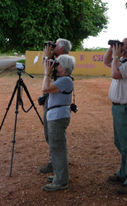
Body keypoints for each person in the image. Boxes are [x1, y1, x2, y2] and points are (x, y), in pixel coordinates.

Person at [104, 38, 127, 194]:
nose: (119, 47)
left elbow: (115, 74)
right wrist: (112, 48)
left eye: (122, 45)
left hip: (126, 108)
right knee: (120, 142)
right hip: (118, 108)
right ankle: (123, 172)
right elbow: (106, 61)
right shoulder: (122, 60)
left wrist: (117, 56)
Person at [42, 54, 76, 191]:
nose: (56, 66)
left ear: (65, 68)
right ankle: (60, 175)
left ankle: (61, 181)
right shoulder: (62, 79)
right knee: (56, 147)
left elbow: (45, 88)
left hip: (58, 117)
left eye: (58, 64)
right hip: (55, 115)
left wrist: (46, 73)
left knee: (58, 148)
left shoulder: (66, 80)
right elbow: (48, 86)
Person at [39, 38, 72, 174]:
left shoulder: (65, 63)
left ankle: (55, 162)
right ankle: (56, 161)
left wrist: (49, 58)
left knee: (53, 133)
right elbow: (45, 66)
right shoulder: (57, 60)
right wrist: (47, 55)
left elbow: (48, 77)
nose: (52, 47)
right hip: (51, 99)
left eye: (55, 45)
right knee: (50, 133)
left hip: (56, 102)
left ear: (62, 49)